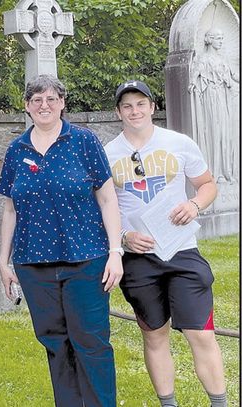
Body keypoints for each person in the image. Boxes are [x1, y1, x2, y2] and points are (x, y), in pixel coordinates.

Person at [0, 74, 123, 407]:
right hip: (33, 265)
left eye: (52, 99)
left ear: (62, 103)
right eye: (36, 100)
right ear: (27, 106)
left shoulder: (84, 141)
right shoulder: (16, 150)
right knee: (55, 343)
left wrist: (115, 252)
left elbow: (108, 199)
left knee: (92, 343)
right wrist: (3, 261)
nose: (44, 105)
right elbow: (9, 208)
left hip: (86, 259)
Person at [104, 79, 227, 407]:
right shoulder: (107, 154)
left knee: (201, 334)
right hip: (138, 257)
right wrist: (123, 237)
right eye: (127, 106)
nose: (135, 111)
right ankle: (168, 403)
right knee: (154, 335)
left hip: (181, 250)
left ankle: (220, 403)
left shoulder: (179, 142)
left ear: (152, 107)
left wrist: (194, 205)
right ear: (118, 112)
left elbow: (207, 184)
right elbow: (101, 208)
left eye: (141, 104)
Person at [188, 28, 240, 183]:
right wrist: (192, 83)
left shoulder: (224, 59)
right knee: (214, 131)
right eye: (218, 38)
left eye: (222, 38)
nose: (221, 41)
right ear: (209, 40)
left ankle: (226, 171)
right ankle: (214, 171)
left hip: (224, 98)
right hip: (211, 97)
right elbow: (194, 75)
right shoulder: (204, 59)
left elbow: (234, 75)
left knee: (225, 132)